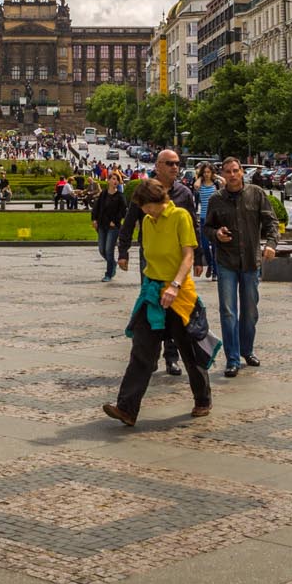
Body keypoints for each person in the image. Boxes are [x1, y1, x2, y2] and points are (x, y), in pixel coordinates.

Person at [102, 180, 212, 426]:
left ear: (157, 200)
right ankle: (126, 409)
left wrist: (174, 285)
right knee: (142, 351)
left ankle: (202, 399)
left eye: (146, 206)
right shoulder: (148, 222)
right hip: (153, 293)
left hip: (179, 294)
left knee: (188, 351)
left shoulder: (180, 216)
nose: (144, 210)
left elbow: (188, 255)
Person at [116, 148, 196, 377]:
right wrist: (123, 251)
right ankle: (149, 356)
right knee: (152, 306)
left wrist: (198, 257)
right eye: (170, 163)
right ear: (158, 166)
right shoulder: (144, 191)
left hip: (175, 261)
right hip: (150, 257)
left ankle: (172, 357)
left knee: (173, 312)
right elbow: (129, 222)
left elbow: (193, 230)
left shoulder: (184, 194)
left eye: (177, 163)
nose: (175, 167)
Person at [203, 157, 279, 377]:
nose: (233, 175)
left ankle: (247, 349)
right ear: (223, 175)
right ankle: (232, 358)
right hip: (226, 261)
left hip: (250, 262)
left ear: (242, 172)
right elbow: (207, 228)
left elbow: (271, 222)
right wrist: (216, 234)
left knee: (250, 311)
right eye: (228, 172)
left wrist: (271, 244)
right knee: (228, 311)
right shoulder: (217, 199)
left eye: (236, 170)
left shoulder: (256, 193)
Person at [92, 178, 127, 281]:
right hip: (102, 224)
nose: (115, 181)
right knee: (102, 249)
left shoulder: (120, 196)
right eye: (113, 179)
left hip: (113, 227)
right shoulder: (103, 194)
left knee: (109, 250)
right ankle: (112, 263)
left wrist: (115, 221)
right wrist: (94, 219)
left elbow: (123, 211)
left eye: (117, 179)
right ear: (109, 181)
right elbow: (96, 207)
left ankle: (108, 273)